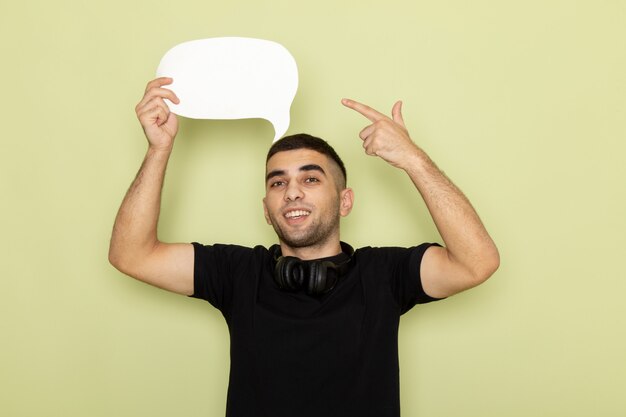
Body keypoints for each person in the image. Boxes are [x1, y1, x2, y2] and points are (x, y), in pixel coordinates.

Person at [109, 77, 500, 417]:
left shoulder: (386, 274)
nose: (292, 191)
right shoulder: (236, 272)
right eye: (277, 183)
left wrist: (414, 160)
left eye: (310, 179)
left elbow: (477, 262)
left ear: (345, 201)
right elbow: (131, 255)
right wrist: (158, 149)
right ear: (266, 209)